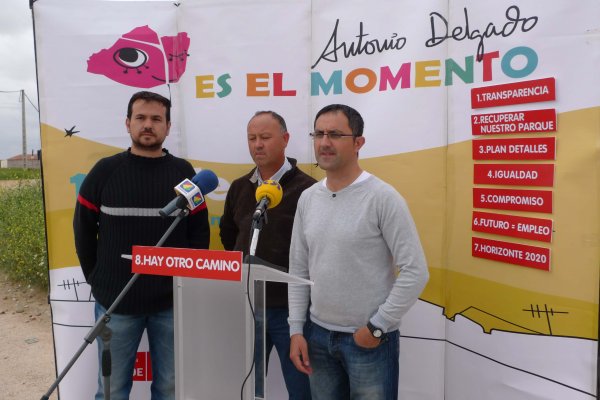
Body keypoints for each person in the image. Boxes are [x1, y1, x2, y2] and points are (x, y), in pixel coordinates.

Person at [73, 91, 210, 400]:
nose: (148, 125)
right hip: (116, 304)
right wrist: (98, 279)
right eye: (141, 118)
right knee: (111, 391)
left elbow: (198, 233)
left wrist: (188, 284)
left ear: (168, 127)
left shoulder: (183, 173)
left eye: (156, 119)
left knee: (170, 389)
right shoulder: (104, 171)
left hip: (171, 304)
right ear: (128, 123)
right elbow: (83, 231)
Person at [287, 104, 429, 400]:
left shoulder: (383, 198)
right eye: (319, 134)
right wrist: (296, 330)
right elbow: (298, 270)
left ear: (358, 143)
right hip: (317, 337)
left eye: (335, 134)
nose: (324, 142)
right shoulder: (308, 199)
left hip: (369, 341)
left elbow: (415, 271)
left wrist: (377, 327)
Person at [220, 111, 315, 399]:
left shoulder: (308, 190)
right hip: (247, 304)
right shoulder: (240, 187)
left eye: (265, 137)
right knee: (244, 389)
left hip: (291, 312)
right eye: (252, 138)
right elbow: (229, 235)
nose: (257, 145)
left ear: (285, 139)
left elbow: (314, 249)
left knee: (302, 390)